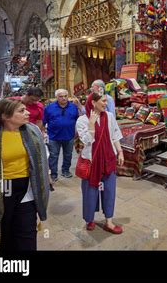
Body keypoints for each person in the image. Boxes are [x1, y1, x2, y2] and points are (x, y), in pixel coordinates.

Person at [0, 98, 49, 251]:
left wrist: (46, 176)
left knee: (27, 233)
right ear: (5, 116)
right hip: (0, 189)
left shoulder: (32, 132)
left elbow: (43, 156)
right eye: (21, 111)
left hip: (28, 189)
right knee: (5, 233)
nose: (27, 113)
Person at [76, 93, 124, 234]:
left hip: (108, 160)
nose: (106, 103)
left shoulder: (109, 116)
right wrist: (91, 124)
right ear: (93, 102)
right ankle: (89, 219)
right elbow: (85, 141)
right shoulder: (82, 120)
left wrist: (120, 151)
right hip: (92, 162)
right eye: (103, 101)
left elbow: (114, 135)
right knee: (90, 192)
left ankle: (109, 221)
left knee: (109, 190)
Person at [43, 89, 81, 182]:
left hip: (69, 136)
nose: (64, 98)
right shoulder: (49, 108)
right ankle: (53, 174)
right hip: (53, 137)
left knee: (68, 155)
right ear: (56, 97)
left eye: (65, 96)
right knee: (53, 156)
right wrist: (43, 132)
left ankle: (66, 170)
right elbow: (44, 121)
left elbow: (78, 120)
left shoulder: (73, 107)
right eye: (61, 96)